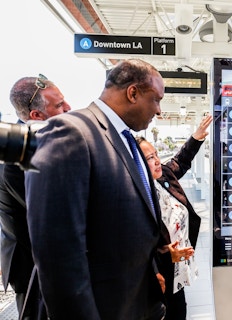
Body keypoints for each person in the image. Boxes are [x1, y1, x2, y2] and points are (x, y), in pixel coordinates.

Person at [25, 59, 169, 319]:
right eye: (156, 99)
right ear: (133, 93)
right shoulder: (71, 133)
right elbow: (58, 256)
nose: (158, 110)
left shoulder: (128, 141)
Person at [0, 74, 71, 317]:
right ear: (36, 116)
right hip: (31, 267)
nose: (69, 108)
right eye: (59, 105)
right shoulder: (14, 153)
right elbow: (52, 210)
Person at [136, 114, 212, 320]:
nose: (157, 161)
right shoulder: (134, 195)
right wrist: (164, 254)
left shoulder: (165, 176)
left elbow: (182, 159)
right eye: (149, 158)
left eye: (156, 154)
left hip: (177, 269)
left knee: (179, 311)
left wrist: (196, 137)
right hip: (157, 274)